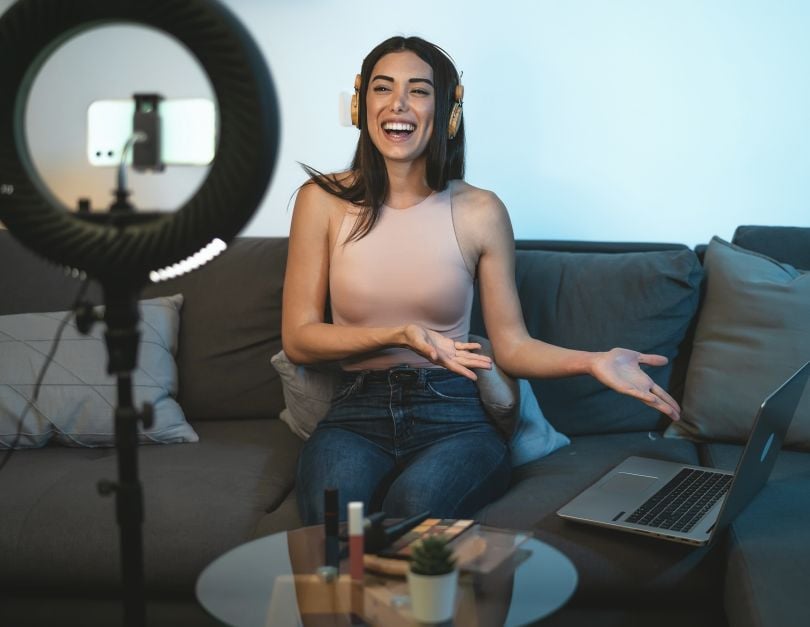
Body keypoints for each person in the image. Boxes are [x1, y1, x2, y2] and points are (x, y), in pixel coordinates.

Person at [282, 36, 681, 525]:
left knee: (417, 516)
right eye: (383, 88)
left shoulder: (481, 211)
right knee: (333, 524)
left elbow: (511, 346)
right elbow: (299, 340)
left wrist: (594, 361)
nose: (398, 104)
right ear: (362, 103)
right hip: (355, 410)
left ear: (449, 110)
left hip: (453, 413)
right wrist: (400, 334)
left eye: (419, 90)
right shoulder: (321, 201)